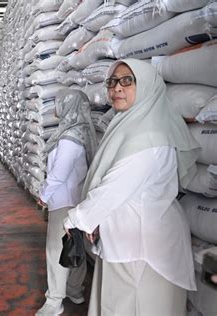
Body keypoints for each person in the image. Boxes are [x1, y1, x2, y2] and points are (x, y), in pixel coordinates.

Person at [63, 59, 201, 315]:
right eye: (112, 82)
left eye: (127, 80)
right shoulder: (131, 125)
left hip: (141, 247)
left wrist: (76, 218)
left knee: (135, 305)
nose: (117, 88)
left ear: (147, 86)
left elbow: (115, 187)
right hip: (128, 237)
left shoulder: (149, 136)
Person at [36, 89, 98, 315]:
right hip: (79, 200)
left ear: (67, 106)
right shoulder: (83, 132)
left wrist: (43, 194)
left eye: (58, 103)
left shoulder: (70, 138)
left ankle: (54, 301)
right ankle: (75, 290)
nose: (55, 107)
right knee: (77, 247)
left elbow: (58, 174)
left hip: (63, 202)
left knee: (56, 250)